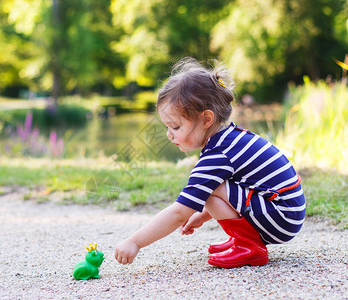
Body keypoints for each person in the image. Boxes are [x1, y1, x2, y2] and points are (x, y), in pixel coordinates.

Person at [115, 57, 306, 268]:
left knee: (208, 188)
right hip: (285, 211)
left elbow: (179, 212)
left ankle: (249, 247)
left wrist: (135, 242)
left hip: (280, 216)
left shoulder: (219, 154)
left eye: (176, 127)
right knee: (209, 188)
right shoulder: (229, 139)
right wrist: (203, 215)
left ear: (207, 119)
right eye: (167, 128)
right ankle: (243, 240)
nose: (169, 135)